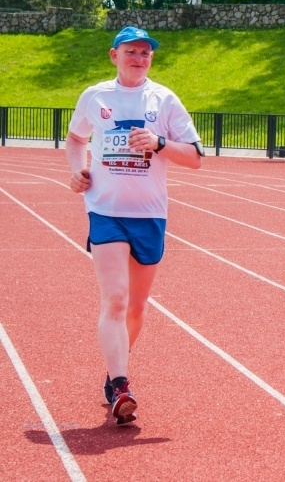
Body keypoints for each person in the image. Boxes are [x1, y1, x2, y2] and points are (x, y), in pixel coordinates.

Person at [65, 26, 204, 426]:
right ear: (114, 55)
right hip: (105, 210)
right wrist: (79, 172)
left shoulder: (164, 100)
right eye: (131, 51)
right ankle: (123, 386)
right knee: (116, 300)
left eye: (145, 53)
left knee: (138, 307)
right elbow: (76, 141)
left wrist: (159, 143)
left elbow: (195, 157)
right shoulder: (95, 96)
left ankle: (112, 374)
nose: (139, 58)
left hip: (150, 213)